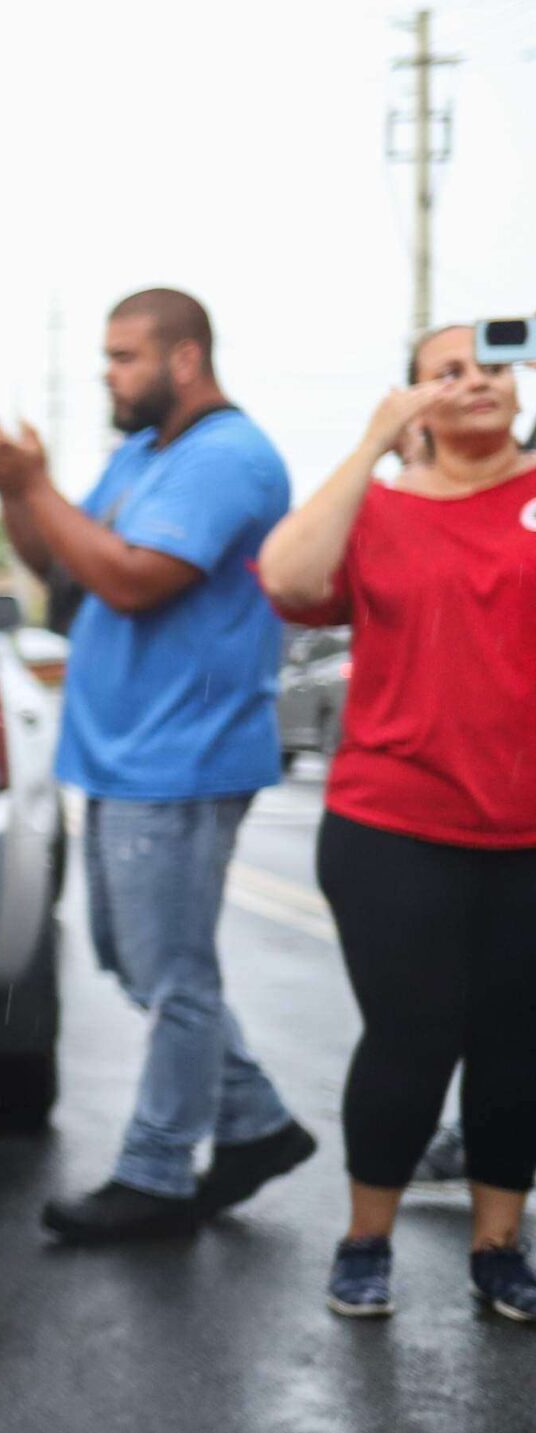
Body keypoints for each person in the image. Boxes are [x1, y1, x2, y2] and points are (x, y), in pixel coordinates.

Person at [0, 288, 315, 1244]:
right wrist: (11, 483)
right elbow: (68, 568)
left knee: (174, 973)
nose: (109, 375)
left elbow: (132, 578)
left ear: (184, 359)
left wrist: (35, 483)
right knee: (135, 959)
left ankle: (157, 1171)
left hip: (184, 757)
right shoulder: (144, 454)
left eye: (124, 358)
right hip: (122, 753)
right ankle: (255, 1124)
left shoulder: (229, 458)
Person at [257, 323, 536, 1322]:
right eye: (445, 372)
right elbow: (287, 579)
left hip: (527, 837)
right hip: (393, 826)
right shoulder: (374, 511)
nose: (475, 382)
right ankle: (363, 1238)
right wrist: (373, 442)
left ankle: (499, 1247)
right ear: (410, 397)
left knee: (516, 1045)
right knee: (413, 1038)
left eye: (492, 365)